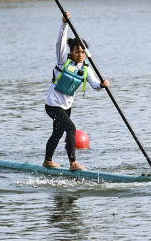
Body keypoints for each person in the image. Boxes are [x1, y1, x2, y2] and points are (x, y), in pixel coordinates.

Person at [43, 12, 108, 171]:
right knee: (71, 128)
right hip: (52, 104)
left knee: (58, 133)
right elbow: (59, 42)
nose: (80, 55)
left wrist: (102, 85)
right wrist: (64, 24)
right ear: (71, 52)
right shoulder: (63, 60)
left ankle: (47, 161)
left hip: (67, 105)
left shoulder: (86, 68)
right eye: (77, 52)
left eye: (83, 52)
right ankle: (73, 163)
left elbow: (95, 86)